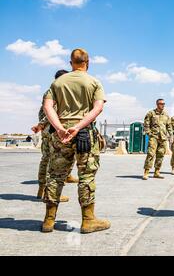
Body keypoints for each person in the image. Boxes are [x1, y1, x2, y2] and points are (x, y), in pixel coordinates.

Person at [41, 48, 110, 234]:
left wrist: (60, 128)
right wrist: (78, 127)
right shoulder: (94, 82)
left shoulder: (57, 82)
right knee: (86, 176)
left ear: (71, 63)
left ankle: (48, 220)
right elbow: (97, 109)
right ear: (87, 62)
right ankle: (88, 220)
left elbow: (47, 107)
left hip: (60, 135)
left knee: (55, 175)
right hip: (84, 134)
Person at [32, 70, 77, 203]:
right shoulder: (57, 90)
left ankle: (42, 189)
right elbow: (50, 111)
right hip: (51, 129)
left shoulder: (51, 90)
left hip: (48, 128)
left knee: (46, 158)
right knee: (52, 160)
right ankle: (48, 191)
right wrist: (41, 124)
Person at [143, 99, 172, 180]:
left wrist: (171, 135)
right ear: (157, 104)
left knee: (160, 155)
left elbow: (169, 126)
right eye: (161, 104)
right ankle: (146, 172)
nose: (162, 105)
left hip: (163, 138)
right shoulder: (151, 113)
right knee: (151, 154)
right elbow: (146, 124)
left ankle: (157, 172)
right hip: (154, 137)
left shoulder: (166, 115)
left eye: (163, 104)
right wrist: (149, 133)